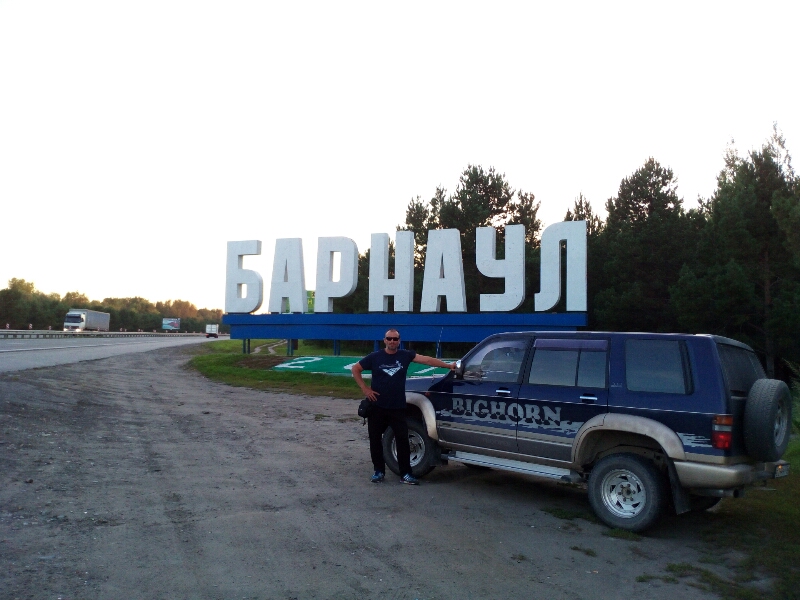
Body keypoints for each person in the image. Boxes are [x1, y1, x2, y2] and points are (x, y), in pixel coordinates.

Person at [352, 328, 455, 485]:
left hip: (398, 406)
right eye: (389, 338)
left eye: (395, 339)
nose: (392, 341)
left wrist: (448, 366)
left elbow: (427, 360)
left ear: (399, 341)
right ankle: (378, 471)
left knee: (402, 440)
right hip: (377, 406)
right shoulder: (375, 357)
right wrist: (365, 389)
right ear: (384, 340)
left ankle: (405, 474)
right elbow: (356, 369)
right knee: (375, 440)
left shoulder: (405, 355)